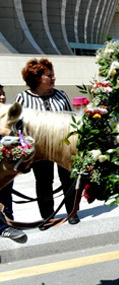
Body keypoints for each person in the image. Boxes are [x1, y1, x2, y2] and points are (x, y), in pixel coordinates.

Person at [14, 59, 79, 224]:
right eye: (49, 76)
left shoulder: (61, 94)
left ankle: (72, 212)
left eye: (53, 75)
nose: (53, 78)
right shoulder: (22, 98)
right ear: (36, 78)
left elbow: (72, 118)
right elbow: (16, 126)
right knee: (44, 182)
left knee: (69, 179)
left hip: (63, 146)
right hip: (40, 149)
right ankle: (47, 216)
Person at [0, 83, 17, 223]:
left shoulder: (10, 116)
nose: (2, 97)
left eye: (3, 93)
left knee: (6, 194)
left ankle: (9, 221)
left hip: (6, 164)